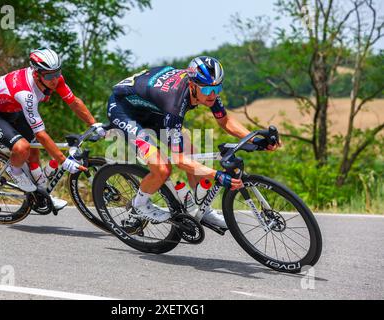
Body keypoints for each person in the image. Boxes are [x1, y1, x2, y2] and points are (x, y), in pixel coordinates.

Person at [106, 56, 279, 229]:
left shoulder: (207, 89)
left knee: (191, 151)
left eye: (218, 88)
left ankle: (202, 209)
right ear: (192, 85)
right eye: (206, 91)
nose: (212, 94)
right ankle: (139, 206)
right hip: (124, 110)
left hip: (152, 109)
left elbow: (224, 121)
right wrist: (217, 175)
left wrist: (255, 139)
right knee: (162, 168)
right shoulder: (175, 102)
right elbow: (179, 160)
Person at [0, 48, 105, 210]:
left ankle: (41, 192)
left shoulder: (54, 78)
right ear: (36, 74)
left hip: (13, 110)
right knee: (23, 148)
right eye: (50, 75)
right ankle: (14, 169)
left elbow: (73, 102)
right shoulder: (26, 93)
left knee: (34, 150)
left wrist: (93, 123)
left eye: (57, 73)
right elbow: (40, 133)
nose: (55, 79)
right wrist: (63, 161)